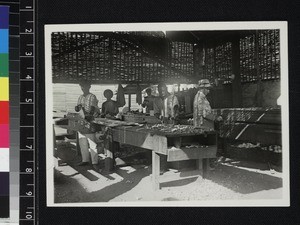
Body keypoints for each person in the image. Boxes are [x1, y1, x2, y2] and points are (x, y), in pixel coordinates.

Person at [75, 80, 100, 171]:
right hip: (81, 122)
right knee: (83, 143)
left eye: (85, 86)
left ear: (89, 87)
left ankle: (95, 162)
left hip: (90, 122)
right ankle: (85, 160)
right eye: (81, 87)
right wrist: (77, 108)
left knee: (92, 143)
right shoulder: (80, 97)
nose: (83, 88)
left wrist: (88, 116)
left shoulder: (92, 96)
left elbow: (93, 108)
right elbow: (78, 108)